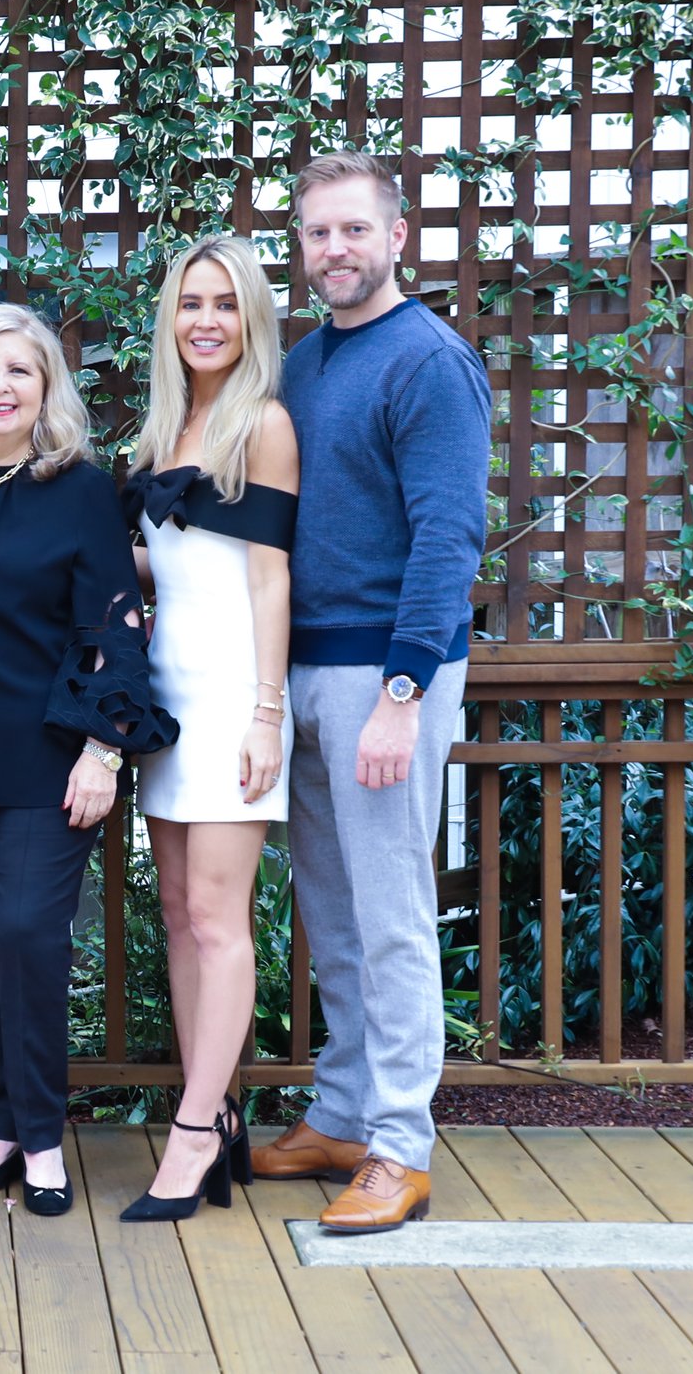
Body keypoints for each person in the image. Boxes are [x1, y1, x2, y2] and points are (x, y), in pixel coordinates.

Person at [251, 151, 490, 1234]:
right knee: (330, 908)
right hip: (301, 666)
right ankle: (341, 1114)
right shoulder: (302, 365)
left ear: (398, 238)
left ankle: (401, 1145)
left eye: (354, 231)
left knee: (391, 914)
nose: (334, 250)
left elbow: (448, 536)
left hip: (385, 675)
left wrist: (401, 691)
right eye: (316, 234)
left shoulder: (428, 361)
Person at [0, 304, 173, 1217]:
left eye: (20, 371)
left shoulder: (80, 489)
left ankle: (46, 1139)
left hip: (51, 754)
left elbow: (114, 626)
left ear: (48, 387)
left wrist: (103, 750)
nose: (0, 387)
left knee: (28, 937)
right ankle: (5, 1126)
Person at [118, 234, 300, 1222]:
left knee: (217, 921)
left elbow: (270, 578)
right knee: (181, 912)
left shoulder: (260, 424)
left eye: (224, 304)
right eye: (190, 302)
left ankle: (190, 1136)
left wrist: (267, 714)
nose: (204, 320)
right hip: (169, 698)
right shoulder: (163, 428)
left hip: (236, 695)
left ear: (251, 319)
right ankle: (215, 1110)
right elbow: (170, 568)